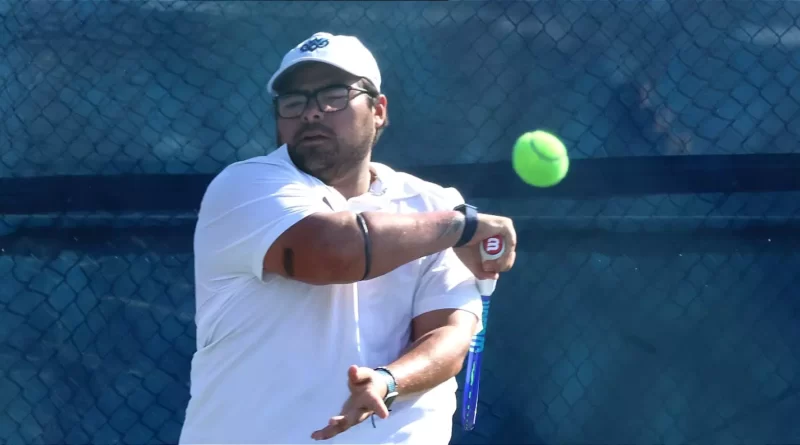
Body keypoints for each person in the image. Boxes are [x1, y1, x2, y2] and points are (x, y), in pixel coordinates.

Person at [179, 32, 517, 444]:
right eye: (294, 101)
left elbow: (448, 333)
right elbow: (335, 253)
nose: (312, 113)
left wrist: (389, 381)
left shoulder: (436, 204)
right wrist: (462, 227)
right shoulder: (245, 186)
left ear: (378, 110)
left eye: (334, 95)